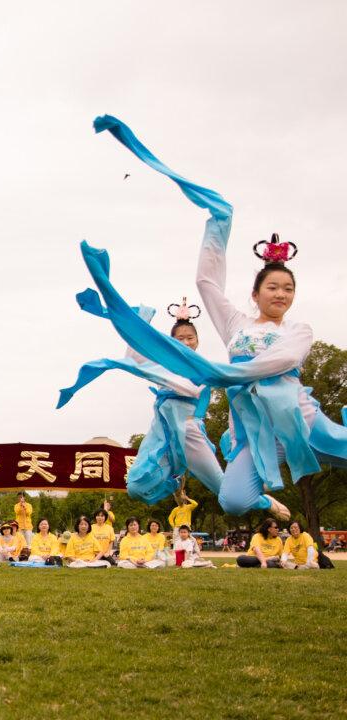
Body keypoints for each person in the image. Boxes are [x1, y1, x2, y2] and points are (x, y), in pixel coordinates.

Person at [87, 116, 347, 519]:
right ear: (256, 292)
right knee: (233, 500)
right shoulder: (237, 325)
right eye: (273, 288)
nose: (281, 295)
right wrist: (218, 223)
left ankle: (319, 448)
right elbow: (207, 281)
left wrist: (225, 374)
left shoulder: (298, 330)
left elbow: (283, 361)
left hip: (297, 418)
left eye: (288, 289)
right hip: (254, 433)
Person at [59, 296, 224, 507]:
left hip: (189, 431)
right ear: (170, 341)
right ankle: (173, 483)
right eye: (180, 338)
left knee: (225, 492)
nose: (186, 342)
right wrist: (141, 321)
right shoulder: (162, 365)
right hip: (162, 432)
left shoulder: (204, 368)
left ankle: (259, 495)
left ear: (197, 340)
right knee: (135, 488)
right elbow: (134, 357)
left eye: (190, 338)